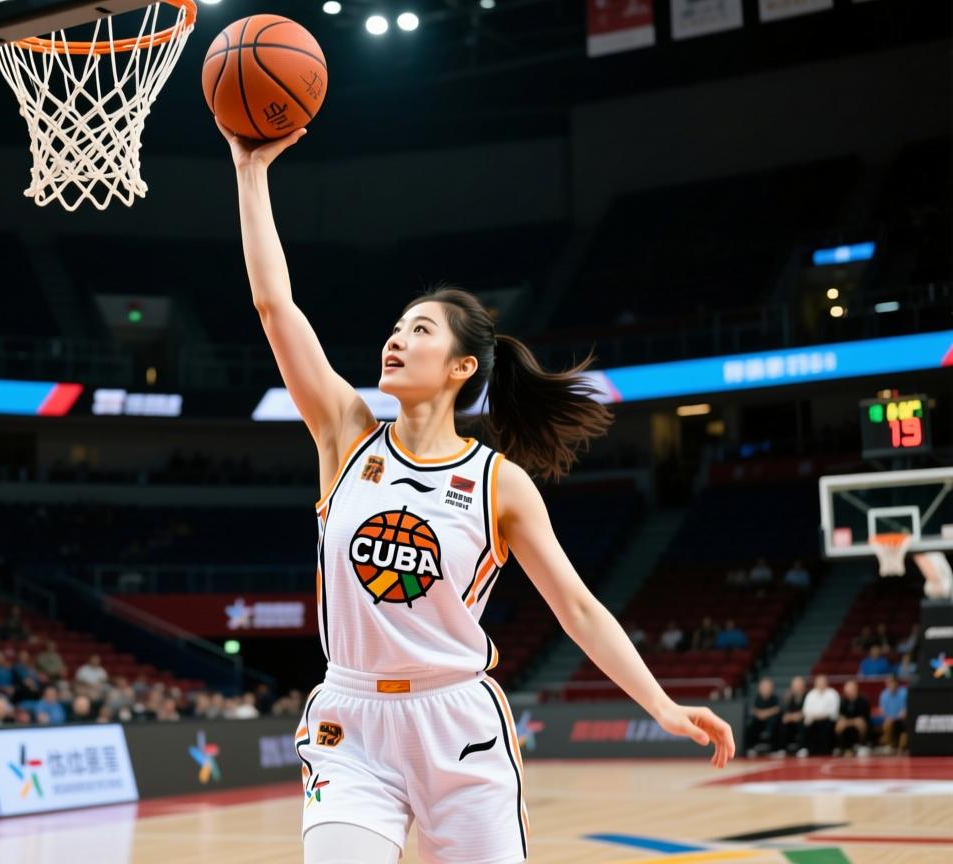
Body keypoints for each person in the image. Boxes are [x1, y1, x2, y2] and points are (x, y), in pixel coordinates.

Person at [218, 118, 735, 864]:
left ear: (462, 367)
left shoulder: (499, 483)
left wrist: (661, 704)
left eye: (420, 330)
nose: (397, 338)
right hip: (349, 722)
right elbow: (276, 307)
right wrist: (251, 172)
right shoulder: (345, 433)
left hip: (457, 722)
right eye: (397, 327)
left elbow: (578, 609)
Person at [800, 675, 840, 756]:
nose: (821, 684)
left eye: (822, 682)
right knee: (805, 724)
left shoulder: (833, 694)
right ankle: (805, 748)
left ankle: (826, 749)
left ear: (826, 683)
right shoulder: (811, 694)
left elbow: (833, 712)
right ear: (815, 683)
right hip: (813, 720)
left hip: (827, 720)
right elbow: (806, 710)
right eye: (819, 682)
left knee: (826, 726)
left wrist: (819, 716)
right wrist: (814, 717)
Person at [745, 678, 781, 756]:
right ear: (759, 688)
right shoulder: (755, 698)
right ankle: (751, 748)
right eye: (763, 687)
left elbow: (777, 709)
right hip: (758, 721)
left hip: (771, 721)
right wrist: (760, 714)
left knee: (777, 724)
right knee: (751, 725)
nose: (765, 689)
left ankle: (776, 749)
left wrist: (764, 713)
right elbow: (752, 710)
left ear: (771, 688)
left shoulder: (775, 698)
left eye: (767, 687)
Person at [835, 680, 871, 756]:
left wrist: (852, 721)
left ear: (856, 689)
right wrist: (850, 722)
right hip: (848, 723)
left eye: (851, 689)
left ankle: (862, 745)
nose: (849, 691)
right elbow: (841, 716)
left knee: (861, 723)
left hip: (861, 723)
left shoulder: (863, 700)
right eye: (847, 690)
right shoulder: (843, 701)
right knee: (839, 725)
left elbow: (864, 718)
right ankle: (843, 748)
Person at [877, 676, 908, 754]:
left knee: (903, 740)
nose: (890, 685)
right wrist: (891, 718)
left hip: (902, 721)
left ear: (896, 683)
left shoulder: (904, 693)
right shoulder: (884, 694)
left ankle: (899, 747)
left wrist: (897, 717)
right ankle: (889, 745)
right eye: (888, 683)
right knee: (887, 724)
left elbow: (904, 712)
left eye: (892, 683)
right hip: (889, 721)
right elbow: (883, 712)